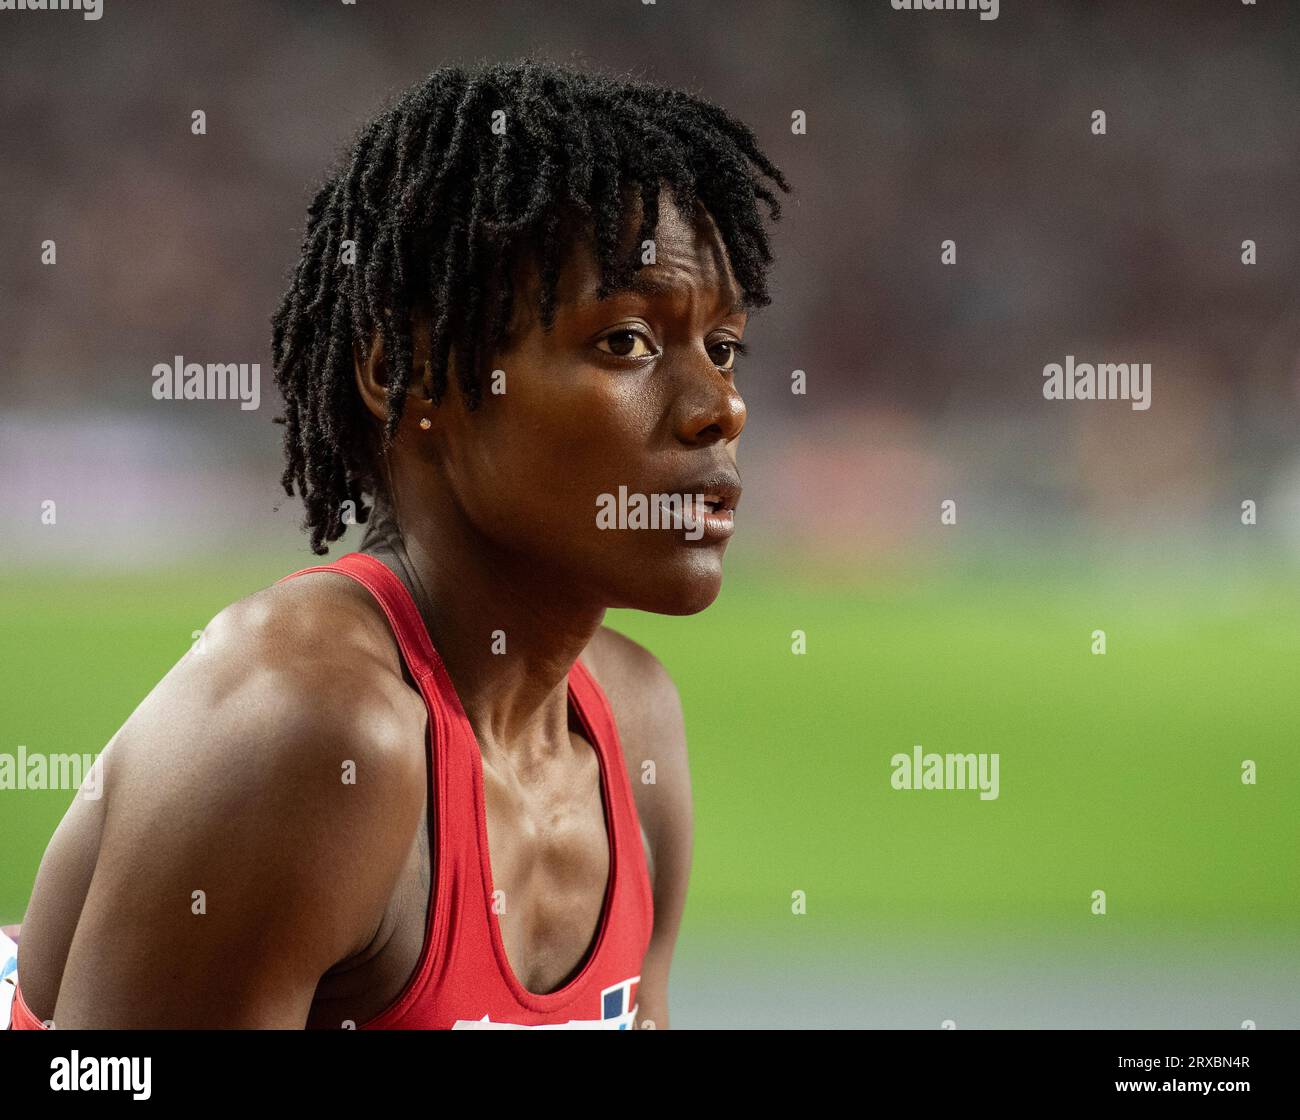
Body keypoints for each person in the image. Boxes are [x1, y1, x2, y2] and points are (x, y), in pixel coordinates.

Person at [8, 57, 788, 1029]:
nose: (721, 407)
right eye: (625, 340)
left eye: (722, 346)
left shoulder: (633, 727)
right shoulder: (305, 739)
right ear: (403, 373)